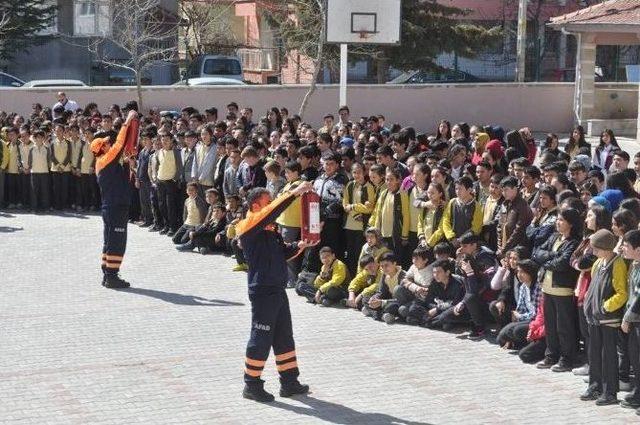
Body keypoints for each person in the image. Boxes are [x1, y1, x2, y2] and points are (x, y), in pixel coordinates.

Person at [234, 182, 317, 403]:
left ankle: (289, 382)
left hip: (277, 289)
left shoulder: (271, 229)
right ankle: (251, 384)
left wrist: (299, 245)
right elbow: (274, 211)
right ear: (255, 206)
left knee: (283, 336)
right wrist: (293, 194)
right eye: (266, 202)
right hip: (262, 291)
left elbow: (281, 253)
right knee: (260, 337)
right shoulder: (248, 224)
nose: (270, 206)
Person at [90, 109, 138, 289]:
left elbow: (118, 173)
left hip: (111, 206)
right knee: (117, 241)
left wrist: (127, 163)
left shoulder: (103, 162)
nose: (109, 144)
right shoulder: (106, 158)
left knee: (109, 240)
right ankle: (112, 276)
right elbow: (119, 143)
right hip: (116, 206)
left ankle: (107, 273)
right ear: (101, 148)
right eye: (106, 143)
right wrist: (127, 121)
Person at [581, 229, 628, 406]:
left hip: (608, 319)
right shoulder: (598, 263)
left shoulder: (618, 264)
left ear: (606, 248)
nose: (593, 252)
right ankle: (595, 385)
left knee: (608, 355)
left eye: (596, 248)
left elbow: (622, 293)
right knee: (594, 353)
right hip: (594, 318)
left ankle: (610, 392)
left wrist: (605, 307)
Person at [533, 208, 581, 372]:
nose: (557, 222)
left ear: (571, 223)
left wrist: (547, 260)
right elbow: (536, 252)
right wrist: (552, 257)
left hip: (563, 290)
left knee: (564, 327)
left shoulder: (574, 242)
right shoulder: (554, 237)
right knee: (551, 326)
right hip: (547, 288)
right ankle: (551, 355)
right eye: (557, 219)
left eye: (561, 220)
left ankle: (567, 358)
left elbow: (562, 264)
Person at [495, 259, 541, 350]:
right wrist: (517, 316)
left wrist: (520, 316)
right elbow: (521, 307)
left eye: (523, 272)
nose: (519, 275)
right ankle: (517, 342)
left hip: (536, 321)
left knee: (516, 331)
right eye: (518, 271)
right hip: (526, 317)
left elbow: (537, 313)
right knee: (502, 339)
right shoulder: (523, 286)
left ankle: (529, 343)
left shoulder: (538, 287)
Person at [621, 229, 640, 410]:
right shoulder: (635, 264)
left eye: (626, 246)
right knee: (635, 356)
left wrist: (627, 317)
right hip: (635, 319)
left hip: (637, 318)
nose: (623, 249)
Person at [362, 252, 406, 322]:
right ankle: (382, 316)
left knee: (391, 307)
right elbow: (381, 292)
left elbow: (401, 300)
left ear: (394, 263)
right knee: (366, 299)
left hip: (398, 302)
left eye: (386, 265)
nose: (384, 268)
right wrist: (374, 298)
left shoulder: (403, 276)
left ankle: (373, 312)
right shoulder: (385, 275)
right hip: (387, 299)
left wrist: (382, 302)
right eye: (382, 266)